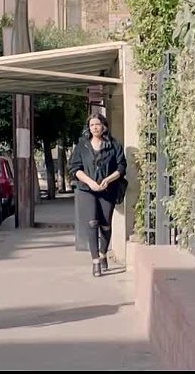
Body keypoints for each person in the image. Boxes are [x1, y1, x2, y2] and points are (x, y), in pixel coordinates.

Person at [69, 113, 127, 277]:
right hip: (86, 189)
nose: (95, 127)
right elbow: (74, 168)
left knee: (105, 224)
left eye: (98, 124)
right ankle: (95, 261)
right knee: (92, 222)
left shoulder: (114, 145)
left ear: (104, 126)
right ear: (88, 128)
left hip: (107, 189)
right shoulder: (82, 145)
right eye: (92, 125)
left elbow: (121, 167)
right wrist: (90, 182)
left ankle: (102, 253)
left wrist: (108, 180)